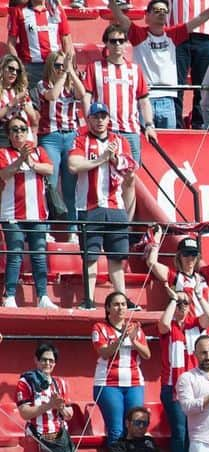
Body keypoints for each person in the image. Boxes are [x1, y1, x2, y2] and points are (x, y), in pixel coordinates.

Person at [107, 0, 209, 130]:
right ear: (147, 16)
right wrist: (111, 3)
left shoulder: (173, 34)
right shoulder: (138, 34)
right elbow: (121, 18)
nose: (161, 14)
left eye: (165, 11)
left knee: (169, 143)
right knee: (145, 146)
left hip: (167, 101)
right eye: (157, 11)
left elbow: (201, 18)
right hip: (145, 98)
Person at [69, 107, 135, 303]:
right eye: (96, 117)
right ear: (89, 119)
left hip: (116, 205)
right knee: (90, 255)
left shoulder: (121, 141)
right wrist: (101, 159)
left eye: (103, 117)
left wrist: (113, 158)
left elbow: (130, 170)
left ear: (108, 119)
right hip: (89, 206)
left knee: (117, 257)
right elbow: (73, 165)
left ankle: (122, 298)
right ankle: (88, 298)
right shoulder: (81, 140)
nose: (99, 121)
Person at [157, 287, 209, 452]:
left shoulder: (195, 324)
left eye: (185, 303)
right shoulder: (169, 327)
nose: (182, 307)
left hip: (195, 385)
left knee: (195, 433)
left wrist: (197, 296)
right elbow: (163, 324)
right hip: (173, 385)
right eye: (179, 303)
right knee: (180, 432)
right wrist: (174, 299)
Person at [84, 26, 155, 168]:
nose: (117, 44)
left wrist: (149, 125)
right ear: (106, 43)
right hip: (103, 130)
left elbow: (144, 101)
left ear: (126, 43)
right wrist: (89, 121)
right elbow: (86, 97)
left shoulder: (135, 69)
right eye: (113, 41)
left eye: (121, 41)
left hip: (130, 131)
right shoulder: (94, 67)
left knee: (131, 174)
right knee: (103, 173)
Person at [0, 116, 52, 309]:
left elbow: (49, 169)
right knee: (15, 254)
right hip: (11, 213)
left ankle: (43, 297)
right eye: (15, 129)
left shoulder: (39, 151)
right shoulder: (3, 153)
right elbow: (3, 174)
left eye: (23, 129)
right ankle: (10, 296)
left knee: (39, 254)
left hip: (37, 213)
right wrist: (20, 159)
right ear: (9, 134)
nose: (19, 132)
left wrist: (30, 162)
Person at [31, 51, 84, 234]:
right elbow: (52, 96)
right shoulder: (41, 84)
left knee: (70, 189)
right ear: (50, 67)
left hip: (70, 136)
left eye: (63, 65)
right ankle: (45, 230)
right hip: (50, 137)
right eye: (58, 65)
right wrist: (64, 76)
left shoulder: (70, 84)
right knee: (50, 185)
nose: (61, 69)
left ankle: (72, 231)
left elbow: (82, 93)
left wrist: (72, 72)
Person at [91, 292, 150, 443]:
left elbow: (147, 354)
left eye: (123, 304)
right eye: (116, 304)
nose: (121, 308)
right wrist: (121, 338)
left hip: (134, 383)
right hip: (108, 383)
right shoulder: (99, 327)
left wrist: (133, 340)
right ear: (108, 308)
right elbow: (104, 353)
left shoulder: (135, 328)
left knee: (136, 427)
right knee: (117, 429)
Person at [7, 0, 72, 89]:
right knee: (34, 101)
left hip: (55, 66)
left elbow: (66, 40)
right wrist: (19, 67)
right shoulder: (19, 11)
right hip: (31, 68)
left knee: (56, 101)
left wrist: (67, 64)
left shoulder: (56, 10)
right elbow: (11, 44)